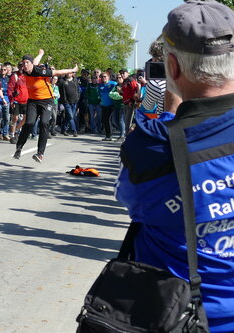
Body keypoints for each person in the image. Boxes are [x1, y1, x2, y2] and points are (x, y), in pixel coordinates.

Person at [115, 1, 234, 331]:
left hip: (177, 315)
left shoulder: (151, 145)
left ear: (172, 66)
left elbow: (131, 202)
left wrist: (169, 111)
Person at [12, 50, 78, 163]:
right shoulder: (26, 70)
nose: (25, 65)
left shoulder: (41, 71)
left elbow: (57, 72)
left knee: (43, 123)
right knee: (28, 123)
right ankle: (18, 148)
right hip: (32, 101)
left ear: (31, 64)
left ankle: (40, 153)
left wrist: (73, 70)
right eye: (23, 63)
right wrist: (41, 54)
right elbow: (35, 61)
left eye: (27, 63)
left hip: (46, 101)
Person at [97, 72, 118, 141]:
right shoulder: (100, 86)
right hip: (103, 105)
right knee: (104, 120)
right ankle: (107, 135)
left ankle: (110, 135)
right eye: (102, 77)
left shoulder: (113, 84)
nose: (103, 78)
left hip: (111, 105)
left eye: (105, 76)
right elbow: (100, 95)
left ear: (108, 77)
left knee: (108, 119)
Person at [59, 71, 80, 136]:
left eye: (71, 72)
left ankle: (63, 129)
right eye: (68, 72)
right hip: (67, 102)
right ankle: (74, 131)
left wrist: (77, 98)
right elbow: (61, 91)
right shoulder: (62, 81)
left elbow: (78, 90)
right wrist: (64, 100)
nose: (69, 74)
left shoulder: (75, 80)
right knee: (71, 116)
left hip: (74, 101)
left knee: (69, 116)